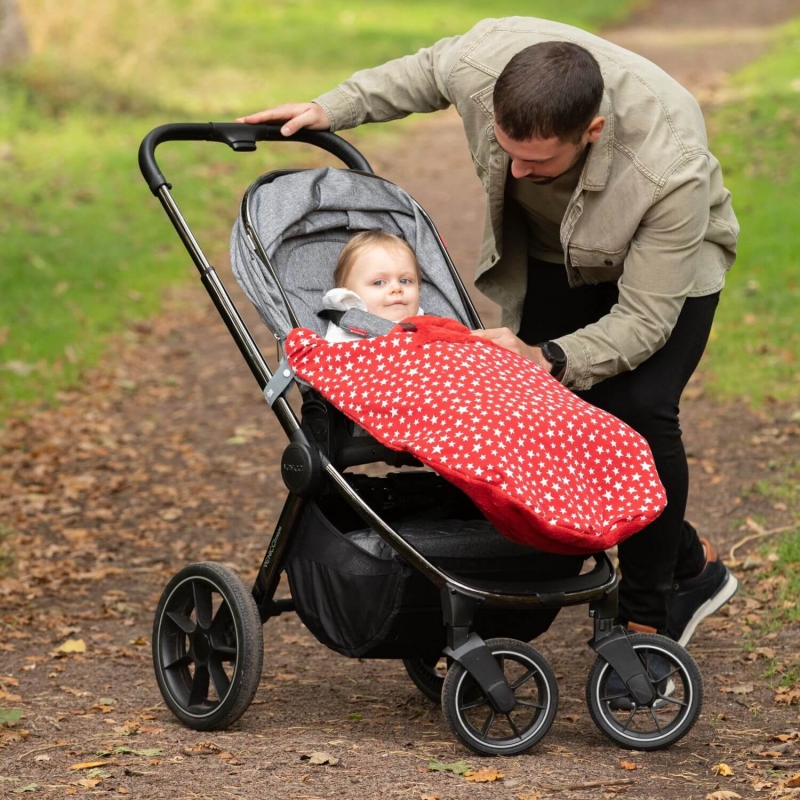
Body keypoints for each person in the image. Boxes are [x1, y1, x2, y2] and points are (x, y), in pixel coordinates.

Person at [238, 17, 740, 645]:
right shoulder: (483, 66)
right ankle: (688, 559)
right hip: (556, 252)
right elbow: (423, 71)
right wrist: (330, 107)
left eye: (537, 160)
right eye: (507, 149)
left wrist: (547, 356)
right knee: (546, 415)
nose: (517, 170)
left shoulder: (672, 168)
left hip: (666, 270)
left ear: (592, 132)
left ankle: (649, 613)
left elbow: (643, 320)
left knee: (640, 408)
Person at [322, 230, 422, 342]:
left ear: (419, 288)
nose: (397, 288)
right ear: (349, 297)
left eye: (405, 281)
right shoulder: (344, 331)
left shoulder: (428, 322)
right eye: (378, 283)